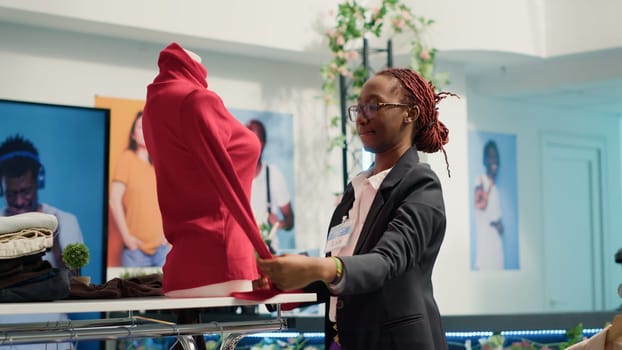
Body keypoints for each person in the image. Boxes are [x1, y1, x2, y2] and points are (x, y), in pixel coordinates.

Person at [257, 68, 456, 350]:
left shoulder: (421, 184)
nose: (362, 116)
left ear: (409, 114)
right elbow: (342, 275)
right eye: (358, 107)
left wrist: (316, 267)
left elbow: (386, 261)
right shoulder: (355, 190)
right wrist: (291, 283)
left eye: (374, 105)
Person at [142, 42, 271, 299]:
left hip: (181, 266)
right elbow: (227, 185)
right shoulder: (198, 100)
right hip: (222, 260)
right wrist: (264, 255)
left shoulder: (153, 108)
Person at [0, 134, 84, 350]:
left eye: (25, 191)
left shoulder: (65, 221)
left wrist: (52, 239)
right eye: (11, 194)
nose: (19, 201)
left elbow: (75, 286)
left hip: (53, 340)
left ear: (39, 181)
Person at [109, 111, 168, 267]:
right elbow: (114, 200)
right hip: (135, 253)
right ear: (133, 135)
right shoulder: (127, 159)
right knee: (134, 291)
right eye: (141, 127)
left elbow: (170, 203)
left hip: (162, 250)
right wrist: (127, 238)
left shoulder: (159, 166)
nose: (146, 131)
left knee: (165, 291)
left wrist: (167, 234)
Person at [246, 118, 294, 253]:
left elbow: (290, 221)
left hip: (266, 255)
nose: (248, 144)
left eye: (254, 140)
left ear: (263, 144)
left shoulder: (273, 175)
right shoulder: (234, 174)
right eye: (245, 139)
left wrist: (279, 223)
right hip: (241, 254)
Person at [473, 139, 504, 271]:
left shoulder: (496, 188)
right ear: (485, 160)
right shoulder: (480, 180)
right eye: (491, 157)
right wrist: (490, 183)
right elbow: (481, 205)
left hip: (496, 243)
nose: (494, 161)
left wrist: (499, 225)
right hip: (485, 241)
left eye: (496, 157)